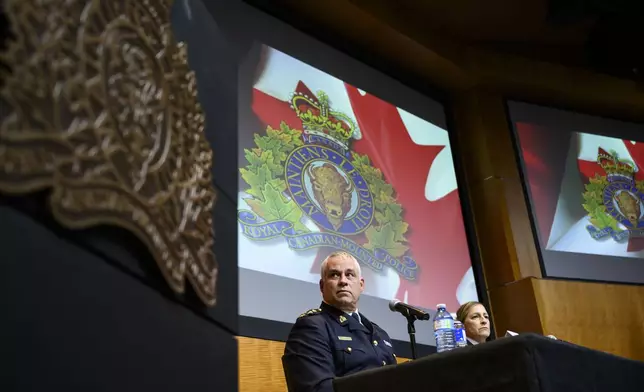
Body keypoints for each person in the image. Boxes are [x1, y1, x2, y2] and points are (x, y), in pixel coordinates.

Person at [282, 251, 397, 392]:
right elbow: (317, 389)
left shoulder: (380, 334)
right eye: (334, 275)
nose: (343, 281)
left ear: (361, 285)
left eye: (350, 274)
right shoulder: (311, 327)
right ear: (322, 286)